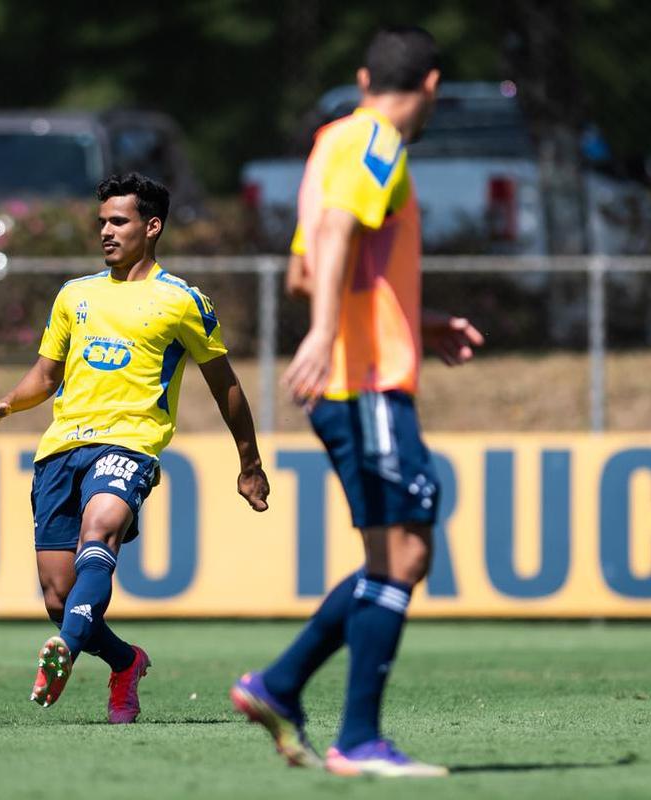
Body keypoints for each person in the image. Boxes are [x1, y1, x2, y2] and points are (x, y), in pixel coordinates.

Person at [231, 26, 485, 777]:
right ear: (431, 85)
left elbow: (310, 271)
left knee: (397, 552)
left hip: (356, 373)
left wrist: (420, 319)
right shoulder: (376, 142)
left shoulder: (330, 141)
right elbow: (338, 234)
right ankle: (357, 738)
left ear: (364, 74)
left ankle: (278, 687)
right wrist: (319, 338)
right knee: (404, 550)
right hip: (362, 380)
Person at [0, 172, 270, 723]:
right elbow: (45, 375)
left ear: (151, 227)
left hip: (130, 443)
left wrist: (250, 463)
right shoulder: (74, 295)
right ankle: (124, 661)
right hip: (60, 451)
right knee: (59, 600)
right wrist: (7, 404)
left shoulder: (182, 301)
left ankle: (66, 652)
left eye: (118, 221)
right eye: (102, 221)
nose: (105, 231)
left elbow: (226, 384)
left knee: (100, 530)